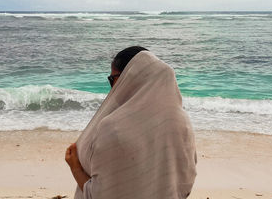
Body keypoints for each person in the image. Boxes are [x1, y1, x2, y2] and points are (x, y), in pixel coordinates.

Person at [65, 46, 197, 199]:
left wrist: (75, 167)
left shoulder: (113, 128)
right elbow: (184, 186)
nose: (112, 87)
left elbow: (98, 195)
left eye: (113, 79)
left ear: (130, 78)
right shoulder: (182, 123)